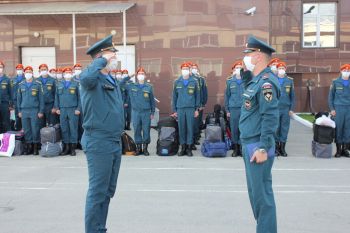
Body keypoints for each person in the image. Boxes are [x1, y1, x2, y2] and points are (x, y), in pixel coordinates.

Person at [80, 35, 125, 233]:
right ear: (102, 56)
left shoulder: (109, 78)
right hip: (98, 141)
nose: (115, 57)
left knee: (107, 192)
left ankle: (99, 228)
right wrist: (101, 59)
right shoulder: (93, 77)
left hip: (113, 141)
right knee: (97, 192)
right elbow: (85, 78)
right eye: (112, 54)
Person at [239, 35, 280, 233]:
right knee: (256, 195)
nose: (245, 56)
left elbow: (270, 117)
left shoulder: (266, 84)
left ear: (258, 56)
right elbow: (252, 105)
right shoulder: (256, 81)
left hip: (258, 144)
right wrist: (246, 75)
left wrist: (263, 147)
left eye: (248, 53)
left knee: (262, 197)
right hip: (250, 143)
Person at [172, 62, 200, 156]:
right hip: (180, 108)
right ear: (181, 70)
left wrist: (196, 109)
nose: (185, 71)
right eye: (183, 69)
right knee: (181, 128)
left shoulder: (194, 82)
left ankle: (189, 147)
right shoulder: (177, 82)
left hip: (190, 108)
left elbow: (197, 96)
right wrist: (175, 110)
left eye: (187, 69)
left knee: (190, 128)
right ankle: (182, 147)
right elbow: (174, 97)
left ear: (189, 70)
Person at [127, 67, 155, 155]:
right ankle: (138, 148)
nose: (141, 75)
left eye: (142, 74)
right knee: (137, 130)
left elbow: (152, 101)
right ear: (136, 75)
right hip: (136, 112)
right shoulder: (132, 86)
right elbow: (121, 83)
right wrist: (130, 75)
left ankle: (145, 148)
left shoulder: (149, 87)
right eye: (139, 74)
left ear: (145, 76)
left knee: (146, 130)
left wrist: (152, 112)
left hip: (146, 112)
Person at [17, 66, 44, 155]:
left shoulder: (37, 84)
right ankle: (29, 147)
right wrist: (19, 111)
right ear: (24, 73)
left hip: (34, 110)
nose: (28, 73)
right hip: (24, 110)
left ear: (32, 73)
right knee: (27, 129)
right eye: (26, 72)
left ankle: (35, 147)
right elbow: (18, 99)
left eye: (30, 72)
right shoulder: (21, 84)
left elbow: (41, 99)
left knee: (35, 128)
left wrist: (41, 111)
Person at [54, 67, 81, 156]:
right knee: (64, 128)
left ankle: (73, 148)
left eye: (70, 72)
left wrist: (78, 109)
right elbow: (56, 97)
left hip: (73, 109)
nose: (68, 74)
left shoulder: (76, 83)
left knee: (73, 128)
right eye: (66, 72)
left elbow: (80, 98)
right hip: (62, 109)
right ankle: (67, 147)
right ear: (63, 74)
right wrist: (57, 108)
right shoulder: (59, 84)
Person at [328, 64, 350, 158]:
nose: (346, 72)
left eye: (348, 71)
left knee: (348, 129)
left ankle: (345, 150)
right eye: (344, 70)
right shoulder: (336, 82)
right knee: (338, 129)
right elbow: (330, 97)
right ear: (341, 71)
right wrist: (332, 109)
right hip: (338, 109)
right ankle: (338, 150)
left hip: (349, 108)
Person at [225, 61, 244, 157]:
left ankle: (241, 148)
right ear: (233, 70)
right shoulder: (229, 81)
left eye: (240, 67)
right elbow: (227, 96)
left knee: (243, 129)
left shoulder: (247, 80)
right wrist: (227, 110)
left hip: (245, 109)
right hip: (233, 109)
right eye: (237, 67)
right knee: (234, 129)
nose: (238, 69)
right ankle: (235, 148)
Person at [275, 61, 295, 157]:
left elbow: (292, 96)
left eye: (283, 69)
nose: (281, 70)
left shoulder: (289, 81)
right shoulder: (273, 79)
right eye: (280, 68)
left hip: (286, 109)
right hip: (275, 108)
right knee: (276, 128)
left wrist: (291, 108)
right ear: (277, 70)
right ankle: (275, 148)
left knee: (284, 128)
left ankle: (282, 148)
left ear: (285, 70)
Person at [191, 63, 208, 145]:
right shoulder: (189, 79)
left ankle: (196, 137)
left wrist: (203, 103)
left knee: (197, 122)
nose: (194, 69)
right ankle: (192, 139)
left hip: (199, 104)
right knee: (192, 123)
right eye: (192, 68)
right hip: (190, 104)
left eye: (195, 68)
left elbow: (204, 92)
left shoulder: (201, 79)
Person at [12, 64, 25, 130]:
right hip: (15, 100)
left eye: (20, 69)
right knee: (17, 115)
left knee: (24, 116)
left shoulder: (26, 78)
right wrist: (11, 103)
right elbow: (11, 90)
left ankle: (24, 129)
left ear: (23, 70)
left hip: (24, 100)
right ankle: (18, 129)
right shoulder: (13, 79)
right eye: (18, 69)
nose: (19, 71)